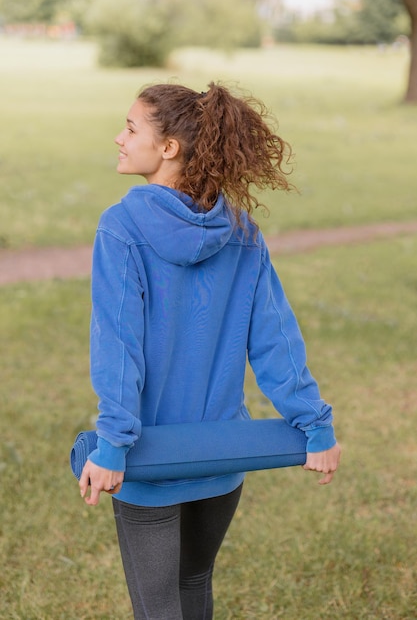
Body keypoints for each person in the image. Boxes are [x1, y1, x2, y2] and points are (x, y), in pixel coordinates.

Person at [79, 81, 341, 620]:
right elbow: (276, 342)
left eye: (130, 128)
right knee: (194, 583)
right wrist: (315, 424)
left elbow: (118, 344)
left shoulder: (122, 227)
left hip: (146, 460)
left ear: (169, 147)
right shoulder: (242, 230)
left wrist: (112, 444)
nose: (118, 137)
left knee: (158, 607)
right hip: (222, 453)